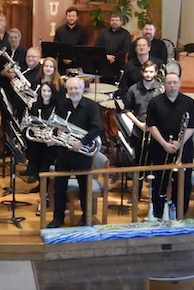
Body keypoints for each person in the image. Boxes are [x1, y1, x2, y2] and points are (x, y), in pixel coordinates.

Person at [47, 77, 103, 228]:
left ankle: (86, 217)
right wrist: (54, 137)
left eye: (76, 88)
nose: (74, 91)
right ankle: (58, 218)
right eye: (71, 89)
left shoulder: (91, 106)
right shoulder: (62, 105)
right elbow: (55, 126)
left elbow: (97, 128)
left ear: (82, 89)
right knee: (59, 188)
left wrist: (82, 142)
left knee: (84, 188)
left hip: (82, 155)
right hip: (64, 153)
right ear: (67, 90)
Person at [146, 72, 194, 218]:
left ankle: (180, 212)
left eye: (175, 83)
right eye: (169, 83)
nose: (172, 86)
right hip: (160, 149)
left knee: (183, 182)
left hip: (183, 149)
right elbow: (151, 126)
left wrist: (180, 143)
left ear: (180, 84)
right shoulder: (155, 102)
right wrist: (164, 143)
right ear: (164, 85)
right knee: (159, 181)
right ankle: (158, 212)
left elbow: (192, 126)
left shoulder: (189, 102)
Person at [124, 60, 164, 199]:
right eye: (146, 71)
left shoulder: (161, 89)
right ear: (142, 72)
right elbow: (127, 110)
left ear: (156, 73)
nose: (148, 74)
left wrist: (154, 126)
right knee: (138, 164)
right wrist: (139, 124)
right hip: (139, 130)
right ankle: (136, 194)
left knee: (154, 163)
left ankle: (155, 196)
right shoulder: (133, 89)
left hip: (156, 132)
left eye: (151, 72)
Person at [25, 82, 62, 192]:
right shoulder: (36, 105)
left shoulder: (58, 107)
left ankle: (46, 187)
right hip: (38, 141)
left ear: (53, 92)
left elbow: (60, 127)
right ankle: (41, 184)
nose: (46, 93)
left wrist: (52, 139)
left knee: (45, 162)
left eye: (49, 91)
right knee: (34, 157)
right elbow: (31, 123)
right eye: (44, 91)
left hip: (52, 142)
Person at [95, 14, 131, 83]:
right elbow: (98, 46)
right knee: (103, 84)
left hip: (118, 64)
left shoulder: (126, 34)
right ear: (110, 21)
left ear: (121, 22)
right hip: (104, 63)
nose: (114, 22)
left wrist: (114, 57)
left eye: (117, 20)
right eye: (113, 20)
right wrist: (106, 56)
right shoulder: (103, 32)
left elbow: (126, 48)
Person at [54, 7, 88, 72]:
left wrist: (73, 59)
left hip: (77, 64)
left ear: (77, 17)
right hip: (62, 64)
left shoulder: (83, 31)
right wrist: (63, 59)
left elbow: (83, 48)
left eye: (73, 16)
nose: (71, 18)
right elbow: (56, 47)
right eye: (69, 16)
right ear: (66, 16)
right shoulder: (60, 30)